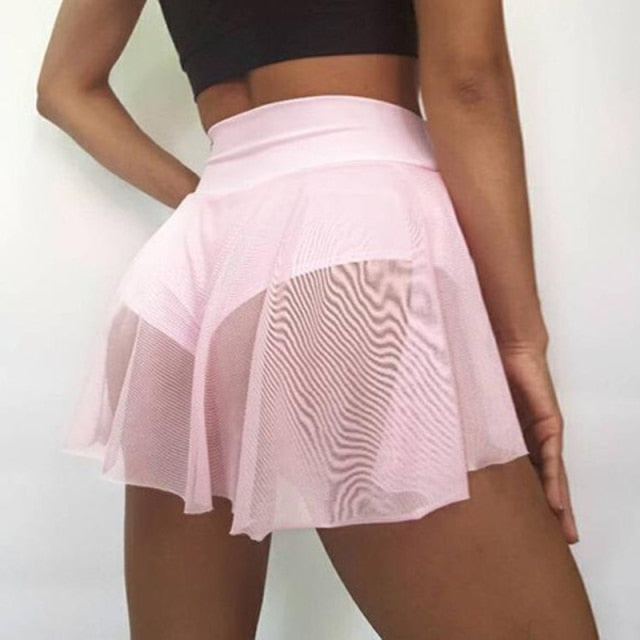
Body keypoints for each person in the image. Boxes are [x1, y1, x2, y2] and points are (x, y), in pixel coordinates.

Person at [36, 0, 599, 638]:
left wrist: (220, 204)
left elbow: (63, 86)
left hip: (189, 276)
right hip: (355, 249)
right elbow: (469, 81)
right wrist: (520, 340)